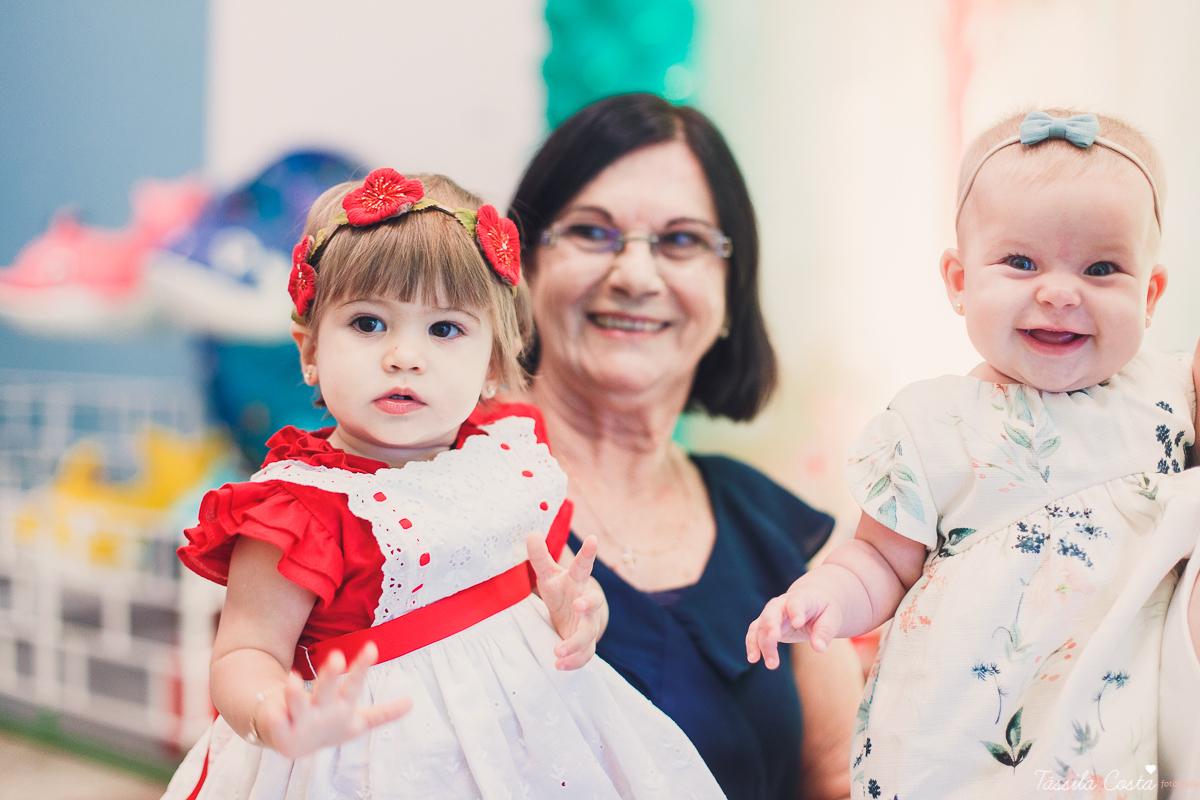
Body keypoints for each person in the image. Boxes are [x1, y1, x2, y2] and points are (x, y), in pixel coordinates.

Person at [160, 169, 726, 799]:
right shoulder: (301, 509)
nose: (405, 355)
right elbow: (243, 654)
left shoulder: (503, 459)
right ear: (309, 351)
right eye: (369, 324)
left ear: (492, 364)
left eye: (444, 329)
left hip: (529, 744)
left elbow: (551, 574)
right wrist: (274, 711)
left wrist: (582, 611)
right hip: (368, 762)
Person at [747, 109, 1200, 798]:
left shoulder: (1171, 395)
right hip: (964, 729)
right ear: (959, 281)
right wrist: (826, 599)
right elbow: (878, 562)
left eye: (1102, 268)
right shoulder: (934, 425)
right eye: (1021, 262)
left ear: (1151, 292)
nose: (1058, 291)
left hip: (1116, 727)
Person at [507, 93, 862, 800]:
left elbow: (839, 781)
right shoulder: (438, 503)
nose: (636, 277)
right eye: (591, 232)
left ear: (730, 289)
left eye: (681, 241)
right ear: (522, 267)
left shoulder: (775, 532)